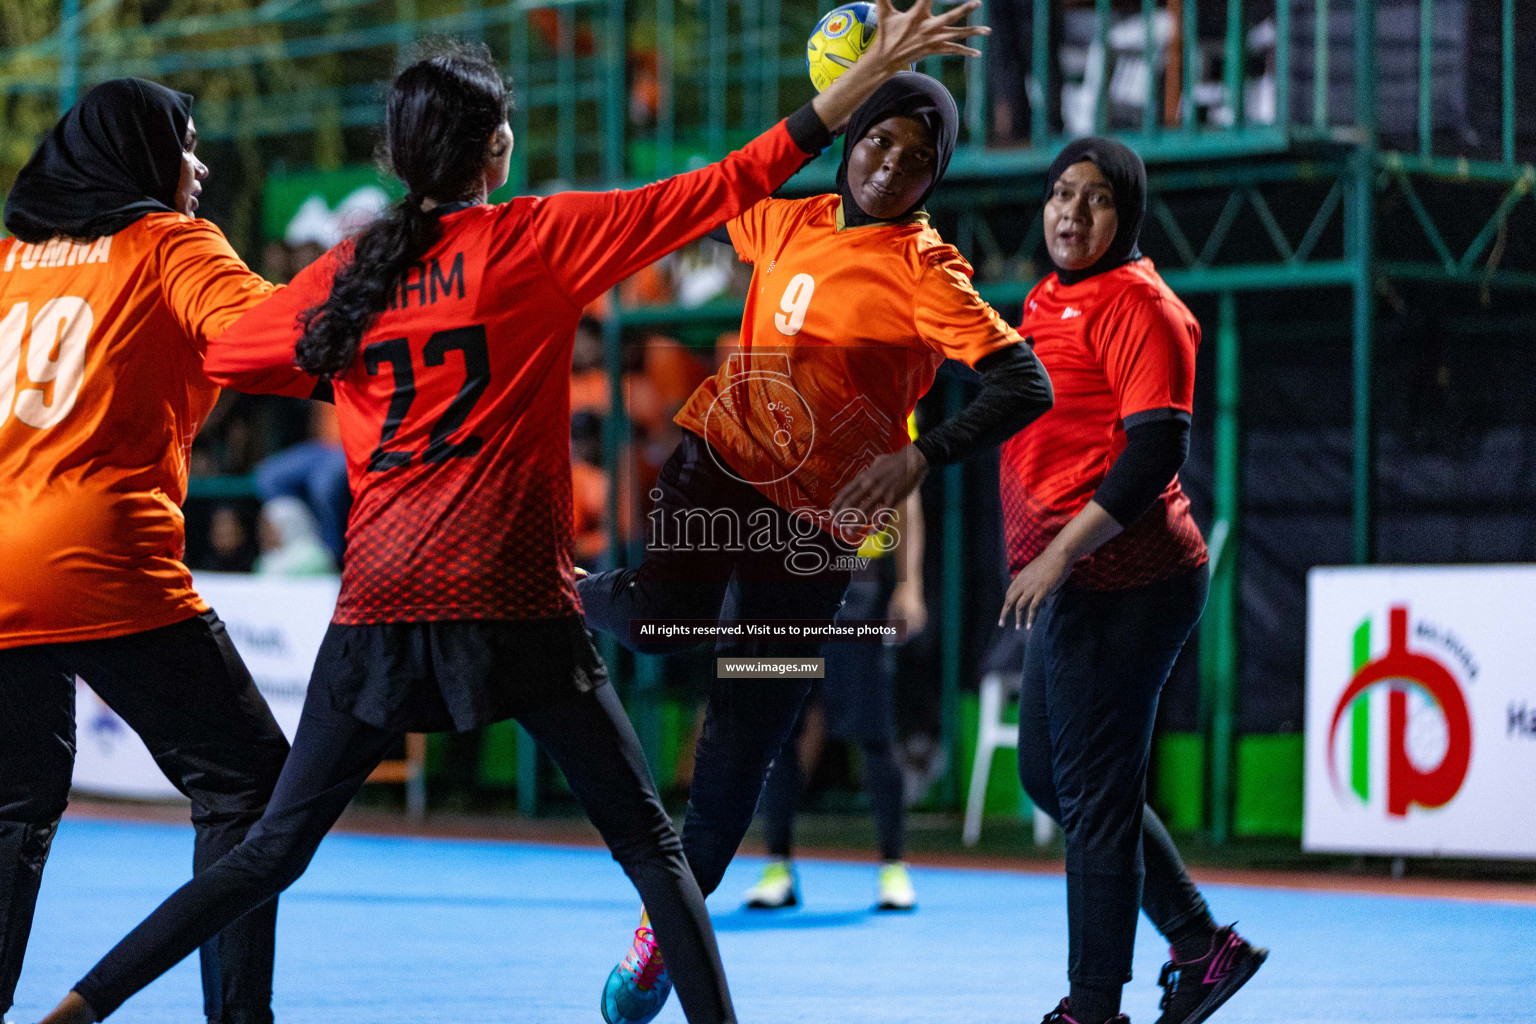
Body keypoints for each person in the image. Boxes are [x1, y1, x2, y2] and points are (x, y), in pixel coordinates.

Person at [34, 9, 989, 1023]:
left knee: (270, 848)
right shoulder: (540, 239)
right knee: (656, 853)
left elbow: (231, 353)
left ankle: (83, 1005)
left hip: (381, 608)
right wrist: (848, 90)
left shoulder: (350, 274)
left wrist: (356, 382)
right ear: (499, 148)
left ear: (397, 154)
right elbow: (731, 180)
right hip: (520, 600)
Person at [577, 71, 1054, 1024]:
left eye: (918, 162)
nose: (891, 168)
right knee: (660, 625)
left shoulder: (928, 271)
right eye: (879, 142)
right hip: (720, 462)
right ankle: (572, 588)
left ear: (934, 180)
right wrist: (822, 104)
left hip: (819, 535)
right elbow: (724, 189)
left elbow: (1024, 383)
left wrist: (920, 459)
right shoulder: (790, 220)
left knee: (745, 743)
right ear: (852, 138)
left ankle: (660, 937)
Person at [0, 79, 315, 1024]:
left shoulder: (11, 258)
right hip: (99, 552)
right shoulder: (167, 241)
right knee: (245, 783)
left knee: (15, 804)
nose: (200, 165)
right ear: (142, 157)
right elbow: (275, 340)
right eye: (186, 144)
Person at [996, 137, 1267, 1024]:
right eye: (1059, 195)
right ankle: (1202, 945)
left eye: (1095, 199)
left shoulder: (1144, 306)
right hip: (1076, 584)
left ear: (1129, 215)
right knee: (1052, 778)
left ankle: (1092, 1010)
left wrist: (1057, 552)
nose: (1071, 213)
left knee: (1096, 800)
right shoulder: (1046, 295)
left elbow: (1155, 450)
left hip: (1126, 584)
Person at [742, 417, 926, 913]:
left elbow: (906, 498)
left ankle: (893, 866)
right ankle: (777, 867)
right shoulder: (775, 402)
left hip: (858, 581)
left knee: (873, 729)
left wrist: (909, 584)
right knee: (779, 730)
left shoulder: (886, 401)